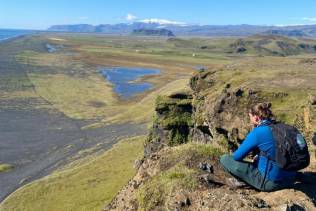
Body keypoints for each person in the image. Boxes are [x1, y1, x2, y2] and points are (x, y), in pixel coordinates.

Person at [220, 102, 297, 192]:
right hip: (290, 178)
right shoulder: (281, 127)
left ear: (256, 117)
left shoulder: (258, 132)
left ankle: (245, 182)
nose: (250, 120)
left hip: (271, 183)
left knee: (225, 159)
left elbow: (237, 156)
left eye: (250, 117)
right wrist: (261, 157)